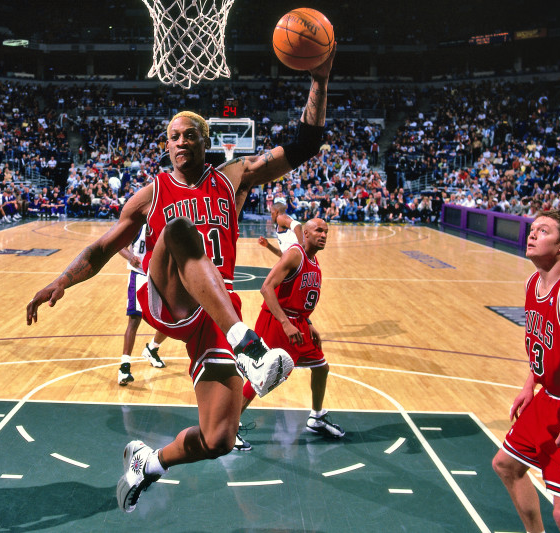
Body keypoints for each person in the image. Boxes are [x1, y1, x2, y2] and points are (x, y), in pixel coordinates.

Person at [26, 49, 334, 513]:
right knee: (177, 229)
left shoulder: (235, 176)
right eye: (173, 136)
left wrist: (320, 80)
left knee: (220, 438)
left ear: (205, 140)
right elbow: (102, 249)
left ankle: (149, 462)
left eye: (190, 135)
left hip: (217, 311)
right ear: (165, 145)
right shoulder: (152, 193)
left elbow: (304, 145)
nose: (181, 141)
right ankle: (249, 349)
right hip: (167, 296)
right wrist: (61, 280)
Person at [492, 209, 560, 533]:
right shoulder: (533, 282)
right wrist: (531, 383)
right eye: (532, 229)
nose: (532, 234)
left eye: (543, 231)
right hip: (548, 398)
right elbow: (545, 343)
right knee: (506, 465)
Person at [233, 218, 344, 452]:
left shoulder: (314, 261)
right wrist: (285, 322)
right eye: (318, 230)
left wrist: (308, 322)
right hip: (277, 321)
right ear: (305, 234)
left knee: (321, 367)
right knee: (261, 376)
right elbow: (266, 287)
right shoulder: (295, 254)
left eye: (326, 231)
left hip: (300, 323)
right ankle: (228, 427)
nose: (324, 235)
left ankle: (316, 417)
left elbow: (302, 295)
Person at [117, 224, 168, 385]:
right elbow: (120, 246)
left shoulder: (166, 223)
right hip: (139, 275)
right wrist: (130, 256)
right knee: (134, 320)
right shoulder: (139, 225)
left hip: (161, 277)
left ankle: (152, 348)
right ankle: (124, 367)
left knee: (169, 319)